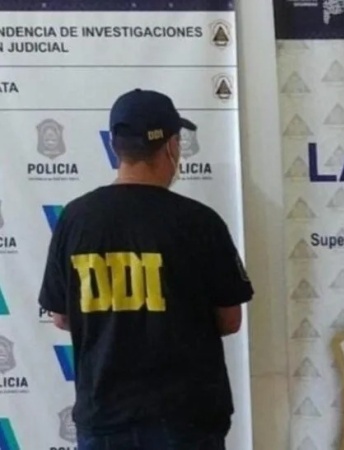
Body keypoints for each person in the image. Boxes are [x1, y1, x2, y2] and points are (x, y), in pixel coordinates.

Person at [38, 89, 253, 450]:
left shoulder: (74, 219)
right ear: (171, 146)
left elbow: (61, 317)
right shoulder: (200, 222)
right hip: (186, 421)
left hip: (104, 421)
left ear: (115, 147)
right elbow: (229, 320)